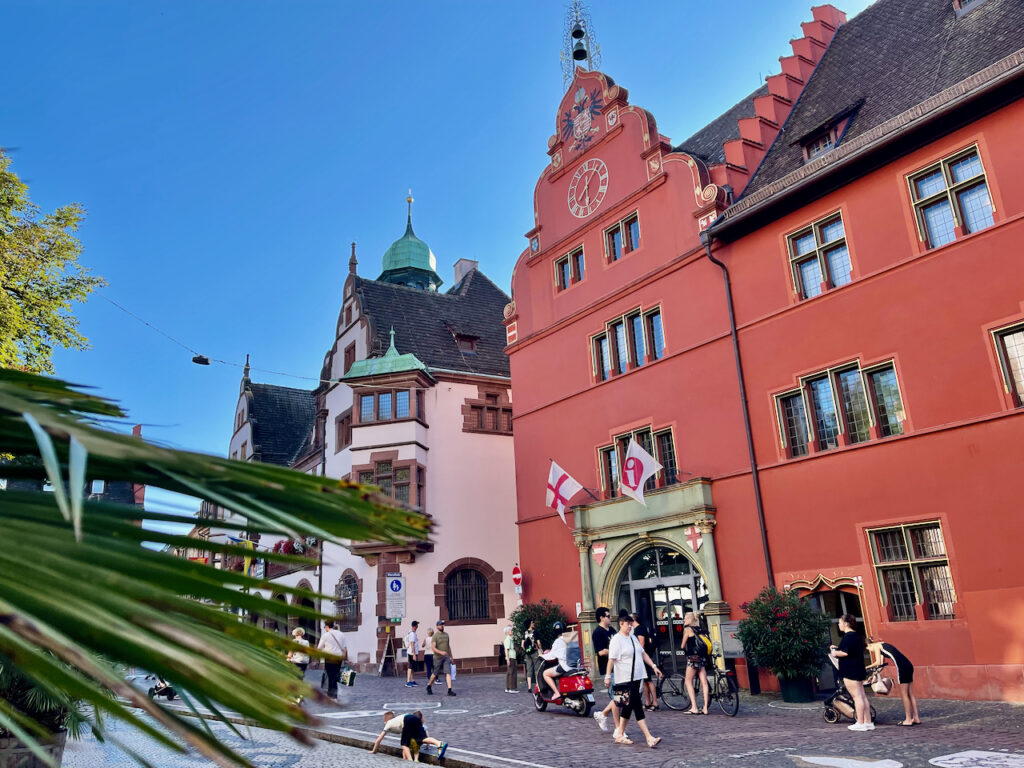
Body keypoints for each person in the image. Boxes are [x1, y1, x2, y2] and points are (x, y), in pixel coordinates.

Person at [606, 611, 662, 748]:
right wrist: (607, 676)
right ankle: (649, 737)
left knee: (628, 707)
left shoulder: (632, 637)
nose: (630, 626)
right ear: (621, 624)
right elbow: (611, 660)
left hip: (637, 677)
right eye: (628, 624)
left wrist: (654, 666)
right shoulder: (616, 640)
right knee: (636, 706)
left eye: (631, 624)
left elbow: (642, 654)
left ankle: (619, 734)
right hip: (625, 678)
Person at [831, 613, 872, 732]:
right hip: (858, 669)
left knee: (857, 697)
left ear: (845, 624)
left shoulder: (848, 636)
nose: (838, 625)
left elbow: (845, 652)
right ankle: (868, 722)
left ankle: (860, 722)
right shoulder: (857, 636)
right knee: (862, 696)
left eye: (839, 623)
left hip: (850, 671)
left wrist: (834, 653)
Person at [868, 639, 920, 726]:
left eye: (869, 649)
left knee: (904, 695)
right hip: (908, 665)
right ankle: (916, 718)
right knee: (910, 693)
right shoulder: (883, 644)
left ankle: (908, 720)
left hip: (902, 667)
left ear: (869, 645)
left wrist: (866, 667)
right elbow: (880, 665)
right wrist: (873, 675)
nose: (871, 651)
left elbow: (877, 662)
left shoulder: (876, 646)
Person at [370, 710, 449, 762]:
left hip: (407, 719)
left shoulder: (388, 723)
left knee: (404, 744)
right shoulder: (397, 722)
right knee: (422, 739)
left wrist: (374, 751)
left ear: (385, 721)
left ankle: (410, 762)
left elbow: (379, 739)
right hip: (414, 718)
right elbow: (406, 736)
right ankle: (439, 744)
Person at [591, 607, 620, 733]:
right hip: (607, 669)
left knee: (620, 698)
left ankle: (603, 715)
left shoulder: (612, 630)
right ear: (602, 618)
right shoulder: (597, 633)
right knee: (617, 698)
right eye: (608, 616)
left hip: (618, 667)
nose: (610, 618)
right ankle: (619, 729)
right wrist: (613, 651)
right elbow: (601, 652)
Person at [680, 612, 710, 715]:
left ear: (689, 619)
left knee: (688, 681)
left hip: (693, 659)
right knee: (704, 683)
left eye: (684, 618)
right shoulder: (699, 628)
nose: (683, 620)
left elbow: (682, 646)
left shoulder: (688, 629)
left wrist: (686, 653)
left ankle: (694, 707)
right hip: (702, 658)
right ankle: (705, 708)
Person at [632, 611, 658, 710]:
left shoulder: (639, 629)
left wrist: (636, 655)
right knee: (645, 680)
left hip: (644, 657)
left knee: (649, 680)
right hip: (642, 657)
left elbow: (641, 644)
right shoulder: (638, 629)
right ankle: (647, 702)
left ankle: (655, 702)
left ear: (634, 619)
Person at [541, 621, 572, 700]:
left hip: (565, 666)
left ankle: (556, 693)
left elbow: (551, 655)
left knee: (545, 673)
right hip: (576, 665)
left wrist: (542, 656)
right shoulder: (571, 638)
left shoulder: (557, 641)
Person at [317, 619, 348, 697]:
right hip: (339, 657)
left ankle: (332, 695)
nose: (324, 629)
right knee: (335, 675)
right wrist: (345, 657)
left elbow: (319, 648)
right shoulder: (341, 634)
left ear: (327, 626)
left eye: (324, 627)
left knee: (331, 676)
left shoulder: (325, 635)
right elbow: (344, 648)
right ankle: (332, 694)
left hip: (329, 658)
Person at [426, 620, 456, 696]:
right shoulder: (435, 636)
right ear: (437, 626)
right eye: (440, 625)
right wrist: (440, 652)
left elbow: (448, 647)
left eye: (442, 625)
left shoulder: (446, 635)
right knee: (435, 674)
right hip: (437, 657)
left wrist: (451, 657)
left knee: (448, 672)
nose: (441, 626)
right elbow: (433, 648)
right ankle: (429, 685)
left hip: (446, 657)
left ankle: (449, 690)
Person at [522, 619, 543, 692]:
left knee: (529, 669)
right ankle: (538, 686)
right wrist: (540, 649)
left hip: (528, 654)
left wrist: (527, 650)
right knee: (537, 669)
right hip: (535, 652)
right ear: (529, 624)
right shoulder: (535, 632)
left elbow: (522, 645)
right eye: (532, 622)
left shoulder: (524, 633)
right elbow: (539, 643)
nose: (533, 623)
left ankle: (529, 687)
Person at [502, 625, 518, 693]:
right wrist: (508, 659)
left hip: (512, 657)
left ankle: (508, 688)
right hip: (511, 657)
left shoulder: (510, 639)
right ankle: (512, 688)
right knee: (512, 673)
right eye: (511, 630)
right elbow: (506, 650)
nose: (512, 631)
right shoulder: (508, 639)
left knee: (509, 673)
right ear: (508, 632)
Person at [405, 621, 421, 688]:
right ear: (415, 626)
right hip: (412, 653)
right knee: (410, 667)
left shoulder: (411, 633)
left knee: (412, 667)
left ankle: (412, 680)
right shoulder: (412, 634)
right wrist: (414, 654)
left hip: (411, 652)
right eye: (417, 625)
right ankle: (408, 681)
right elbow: (412, 644)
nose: (418, 626)